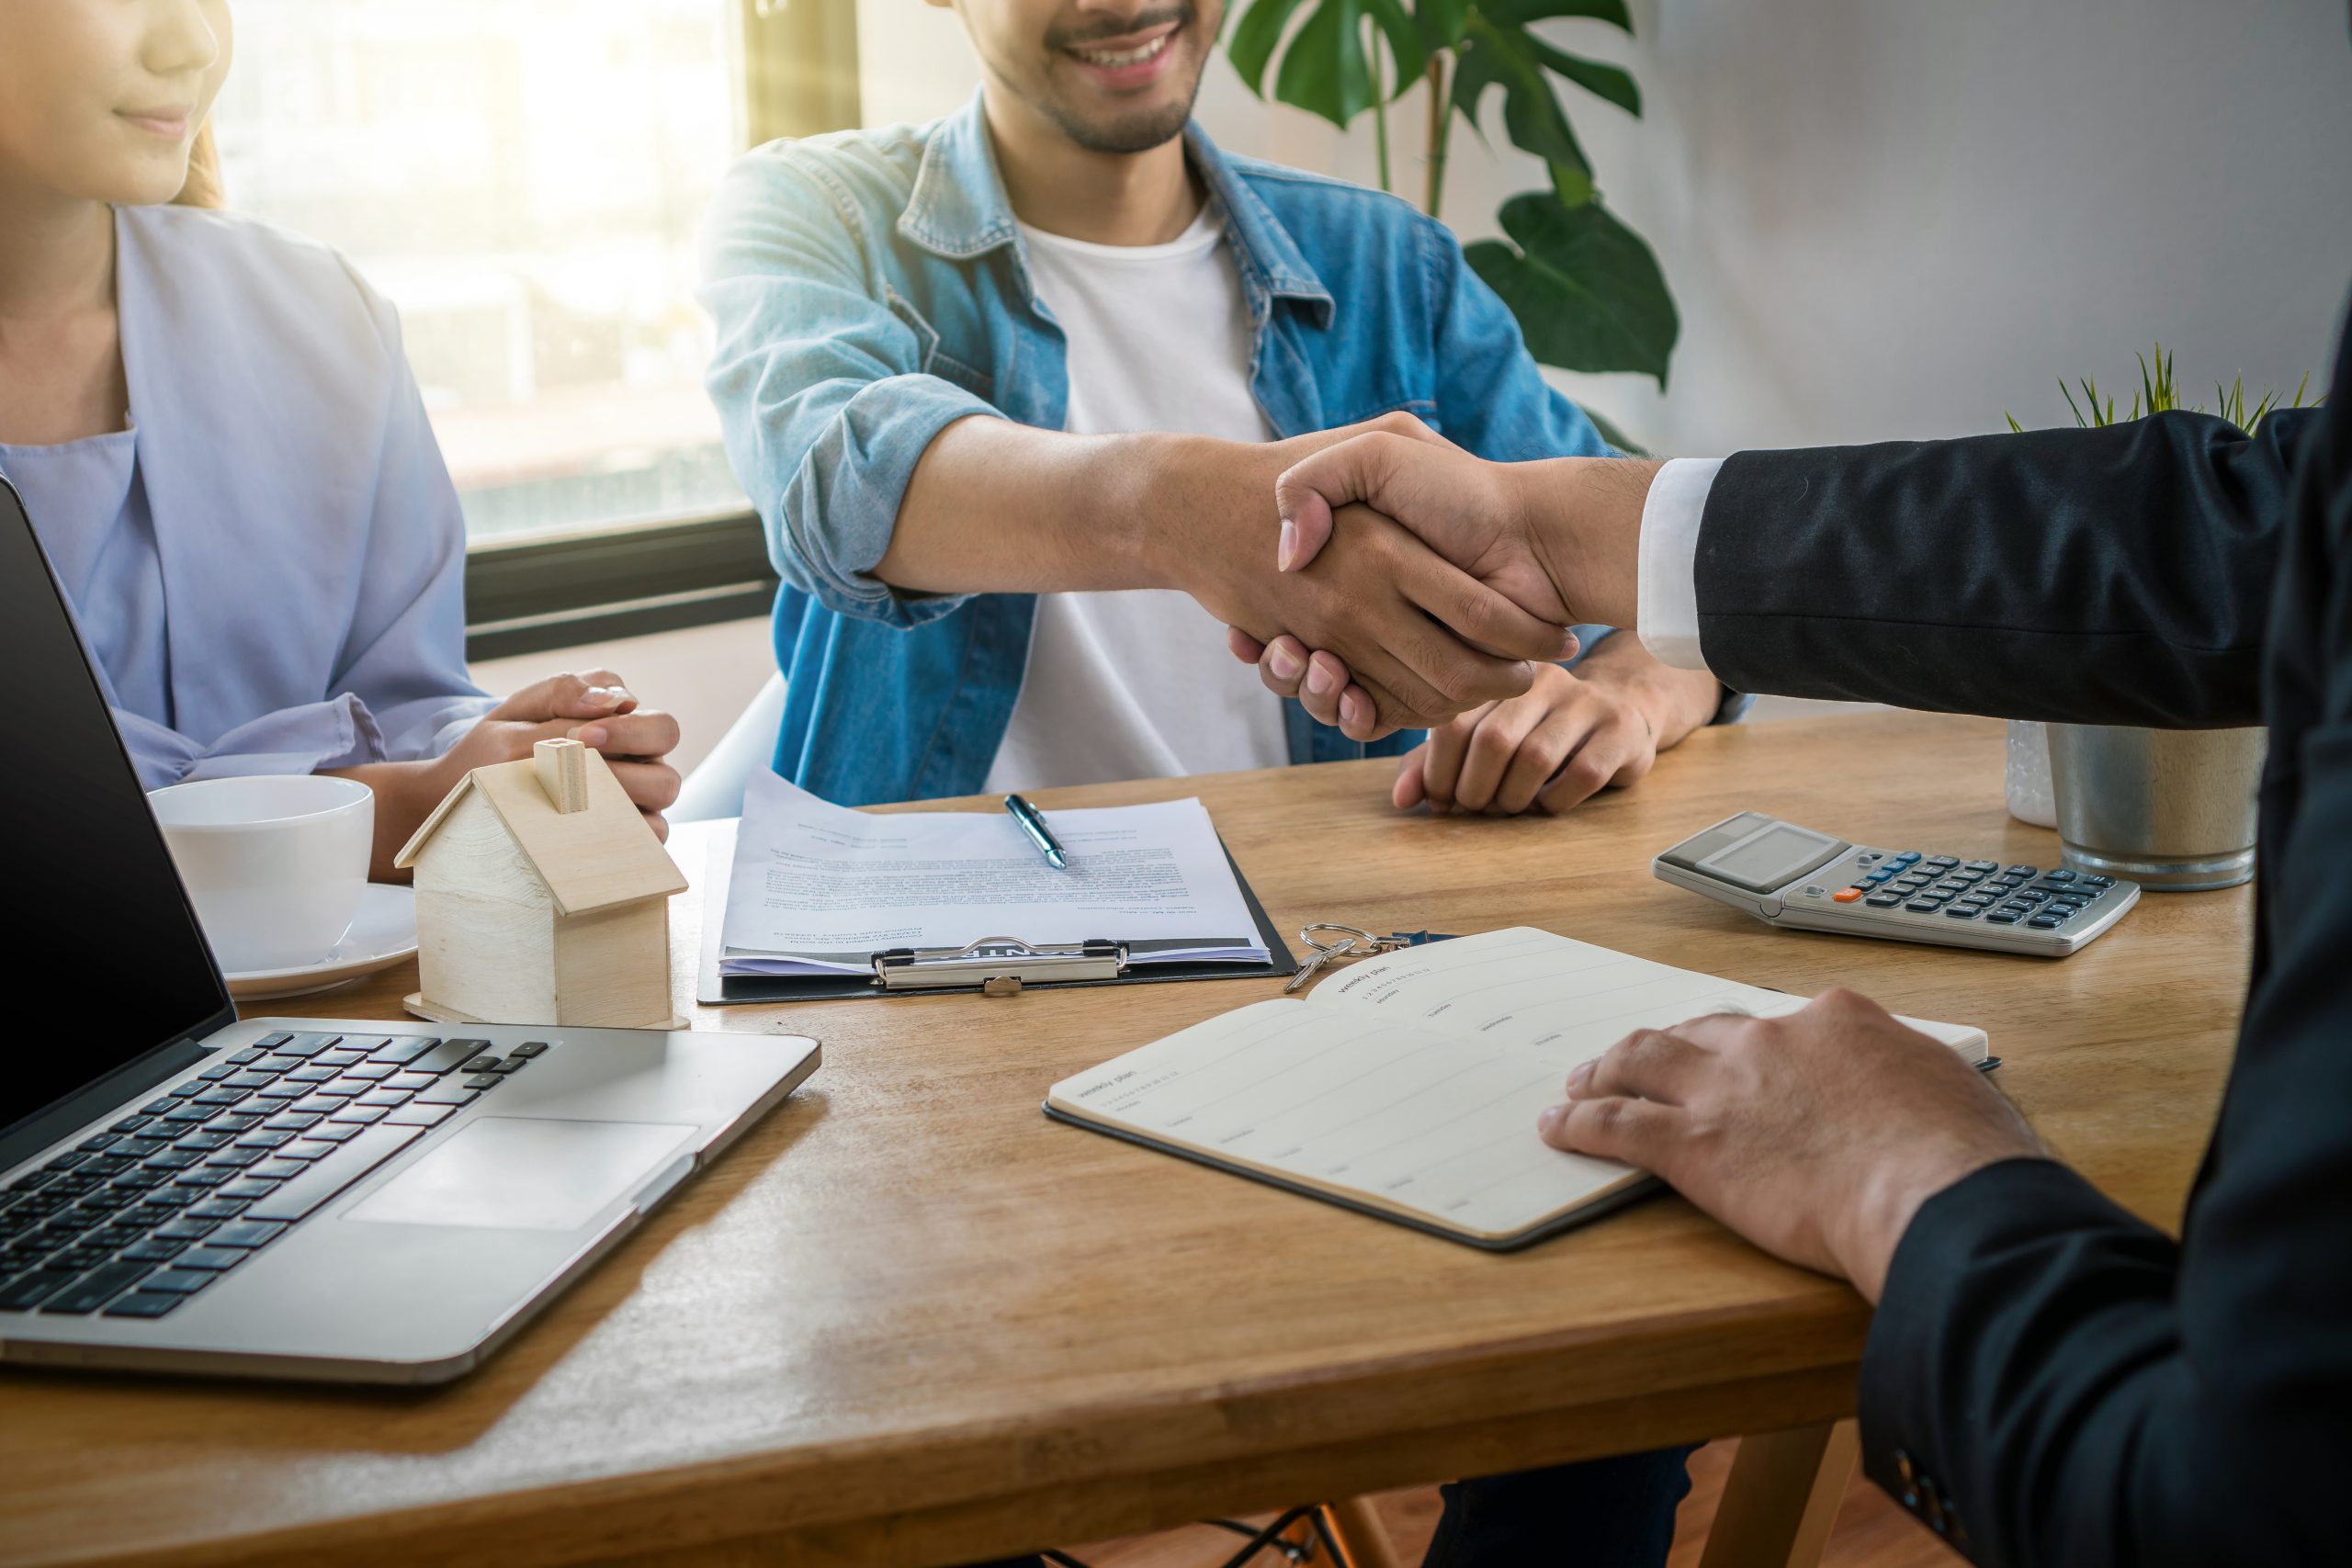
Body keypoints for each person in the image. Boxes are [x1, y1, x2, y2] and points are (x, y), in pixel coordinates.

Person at [1229, 281, 2350, 1563]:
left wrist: (1922, 1174)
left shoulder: (1392, 270)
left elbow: (2256, 1504)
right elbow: (2263, 523)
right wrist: (1560, 534)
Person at [697, 0, 1736, 818]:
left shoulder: (1384, 263)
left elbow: (1664, 583)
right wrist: (1181, 513)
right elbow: (837, 486)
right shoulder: (815, 214)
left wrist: (1626, 697)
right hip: (928, 958)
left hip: (1325, 935)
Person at [0, 0, 681, 880]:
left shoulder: (321, 315)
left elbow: (399, 697)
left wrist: (510, 761)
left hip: (344, 1005)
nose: (195, 42)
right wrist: (388, 811)